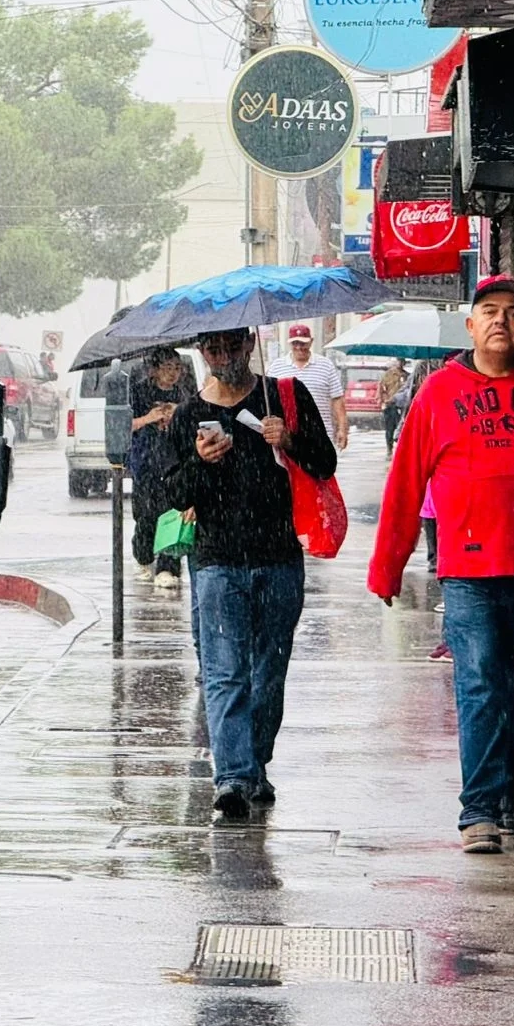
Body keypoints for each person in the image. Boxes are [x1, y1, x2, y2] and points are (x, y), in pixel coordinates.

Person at [367, 276, 514, 855]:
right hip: (468, 571)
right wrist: (388, 565)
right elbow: (404, 484)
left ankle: (507, 787)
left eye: (513, 312)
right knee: (479, 686)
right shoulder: (437, 393)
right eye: (489, 311)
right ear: (471, 326)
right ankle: (478, 810)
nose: (501, 320)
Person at [167, 328, 336, 819]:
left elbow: (325, 463)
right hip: (217, 562)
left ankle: (254, 762)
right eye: (212, 349)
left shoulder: (284, 395)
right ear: (202, 353)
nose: (223, 357)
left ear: (249, 344)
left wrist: (290, 439)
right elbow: (171, 494)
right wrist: (200, 464)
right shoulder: (187, 415)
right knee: (224, 674)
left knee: (268, 674)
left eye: (232, 346)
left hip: (279, 558)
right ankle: (233, 777)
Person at [128, 348, 194, 589]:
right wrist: (149, 417)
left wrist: (177, 416)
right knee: (145, 516)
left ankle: (168, 567)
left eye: (177, 368)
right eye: (167, 368)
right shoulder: (138, 392)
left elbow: (192, 424)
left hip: (174, 461)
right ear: (154, 370)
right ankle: (144, 559)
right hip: (146, 462)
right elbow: (124, 425)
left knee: (172, 514)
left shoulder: (184, 393)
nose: (173, 373)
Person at [266, 324, 348, 449]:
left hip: (321, 434)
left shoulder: (326, 365)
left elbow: (337, 399)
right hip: (288, 437)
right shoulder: (277, 367)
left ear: (311, 342)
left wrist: (342, 429)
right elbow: (269, 398)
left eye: (303, 343)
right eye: (295, 343)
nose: (299, 347)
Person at [378, 358, 409, 454]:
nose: (400, 363)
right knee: (389, 429)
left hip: (402, 406)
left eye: (402, 361)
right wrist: (383, 400)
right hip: (390, 405)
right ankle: (389, 448)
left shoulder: (407, 376)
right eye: (398, 361)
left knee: (402, 428)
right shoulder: (388, 375)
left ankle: (401, 449)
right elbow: (381, 389)